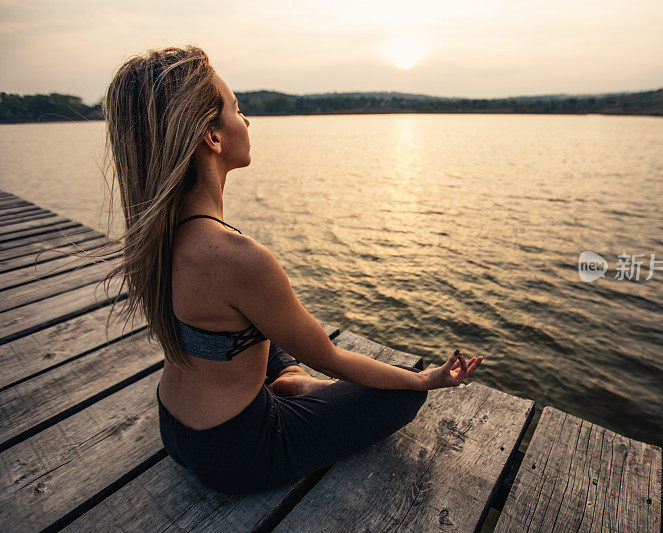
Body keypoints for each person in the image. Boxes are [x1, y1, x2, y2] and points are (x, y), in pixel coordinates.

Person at [99, 45, 483, 494]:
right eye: (238, 110)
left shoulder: (156, 235)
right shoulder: (238, 257)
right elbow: (331, 356)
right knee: (402, 398)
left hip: (176, 427)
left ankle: (289, 380)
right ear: (212, 137)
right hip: (238, 451)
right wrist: (424, 379)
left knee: (255, 331)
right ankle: (296, 383)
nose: (247, 121)